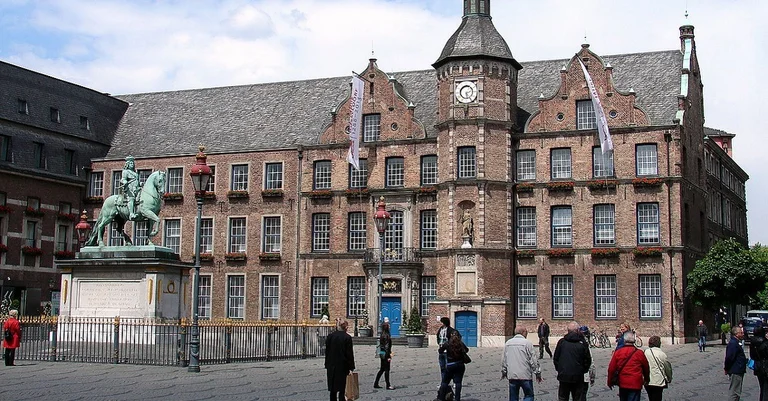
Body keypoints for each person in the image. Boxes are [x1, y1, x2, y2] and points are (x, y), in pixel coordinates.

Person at [553, 321, 592, 401]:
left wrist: (560, 369)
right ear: (578, 330)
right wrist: (583, 370)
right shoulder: (582, 343)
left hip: (564, 375)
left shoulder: (562, 342)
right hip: (578, 376)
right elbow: (587, 360)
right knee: (578, 397)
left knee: (563, 397)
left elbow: (556, 358)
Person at [607, 331, 649, 401]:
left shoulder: (618, 352)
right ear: (634, 340)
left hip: (623, 382)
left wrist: (609, 381)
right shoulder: (639, 353)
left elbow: (611, 368)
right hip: (636, 383)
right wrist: (647, 379)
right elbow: (646, 367)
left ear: (624, 340)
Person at [502, 326, 541, 401]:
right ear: (523, 332)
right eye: (526, 332)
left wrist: (504, 371)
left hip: (512, 375)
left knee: (513, 396)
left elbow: (504, 359)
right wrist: (537, 373)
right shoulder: (527, 343)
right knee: (528, 395)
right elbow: (533, 360)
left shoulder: (508, 343)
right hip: (525, 375)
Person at [324, 319, 355, 401]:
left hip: (331, 366)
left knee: (332, 390)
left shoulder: (330, 336)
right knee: (342, 390)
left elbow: (327, 352)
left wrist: (326, 364)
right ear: (345, 327)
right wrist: (351, 367)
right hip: (342, 366)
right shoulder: (347, 337)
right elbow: (349, 354)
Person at [438, 331, 469, 401]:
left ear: (451, 335)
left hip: (450, 365)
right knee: (458, 382)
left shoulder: (447, 343)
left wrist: (445, 352)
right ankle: (457, 398)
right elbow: (467, 350)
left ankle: (441, 398)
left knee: (445, 382)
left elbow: (440, 351)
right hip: (460, 364)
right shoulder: (460, 343)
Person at [643, 336, 672, 401]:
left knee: (650, 397)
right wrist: (669, 378)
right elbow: (667, 368)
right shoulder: (661, 354)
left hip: (647, 380)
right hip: (658, 381)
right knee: (657, 397)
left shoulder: (645, 352)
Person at [724, 326, 747, 401]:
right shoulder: (733, 343)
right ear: (736, 334)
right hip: (735, 370)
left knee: (737, 391)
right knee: (734, 392)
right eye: (741, 332)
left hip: (738, 369)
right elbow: (729, 358)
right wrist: (726, 368)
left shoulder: (736, 342)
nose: (743, 334)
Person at [749, 325, 768, 401]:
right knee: (766, 389)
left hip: (758, 366)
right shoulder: (765, 343)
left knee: (762, 387)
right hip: (765, 367)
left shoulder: (753, 343)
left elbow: (752, 356)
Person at [374, 321, 395, 390]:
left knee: (382, 369)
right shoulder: (387, 335)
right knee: (387, 370)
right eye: (388, 326)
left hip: (382, 353)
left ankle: (376, 383)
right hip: (386, 354)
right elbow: (387, 347)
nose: (390, 327)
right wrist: (389, 356)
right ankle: (388, 385)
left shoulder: (382, 334)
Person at [578, 326, 596, 401]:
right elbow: (591, 364)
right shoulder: (586, 346)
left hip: (572, 375)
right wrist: (592, 377)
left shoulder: (570, 343)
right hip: (584, 376)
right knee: (582, 395)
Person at [121, 156, 140, 220]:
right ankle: (131, 213)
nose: (132, 164)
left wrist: (140, 184)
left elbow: (137, 181)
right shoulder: (125, 172)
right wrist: (125, 181)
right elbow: (123, 179)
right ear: (127, 164)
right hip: (129, 189)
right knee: (131, 198)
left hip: (136, 188)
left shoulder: (135, 173)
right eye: (131, 163)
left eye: (133, 163)